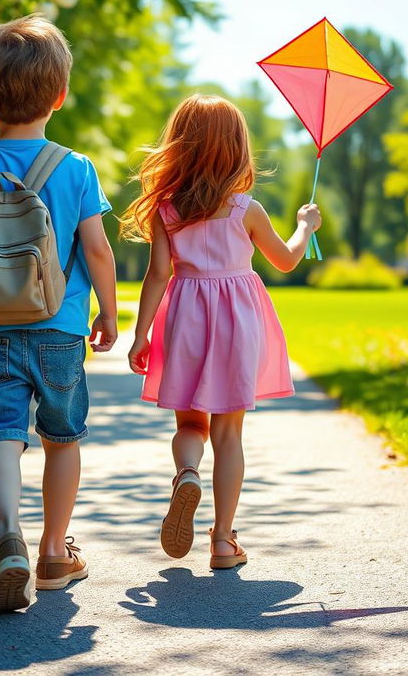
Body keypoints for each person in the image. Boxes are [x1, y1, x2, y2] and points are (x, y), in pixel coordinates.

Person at [0, 14, 117, 610]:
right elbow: (95, 248)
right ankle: (53, 554)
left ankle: (6, 535)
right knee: (62, 439)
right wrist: (110, 311)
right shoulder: (76, 168)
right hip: (61, 327)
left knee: (2, 434)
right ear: (60, 96)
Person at [121, 94, 321, 569]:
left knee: (191, 423)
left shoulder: (166, 210)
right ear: (236, 149)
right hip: (236, 320)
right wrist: (305, 226)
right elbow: (287, 260)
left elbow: (157, 275)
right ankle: (224, 541)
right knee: (229, 434)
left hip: (185, 314)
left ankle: (187, 472)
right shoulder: (246, 210)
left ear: (180, 146)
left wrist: (141, 334)